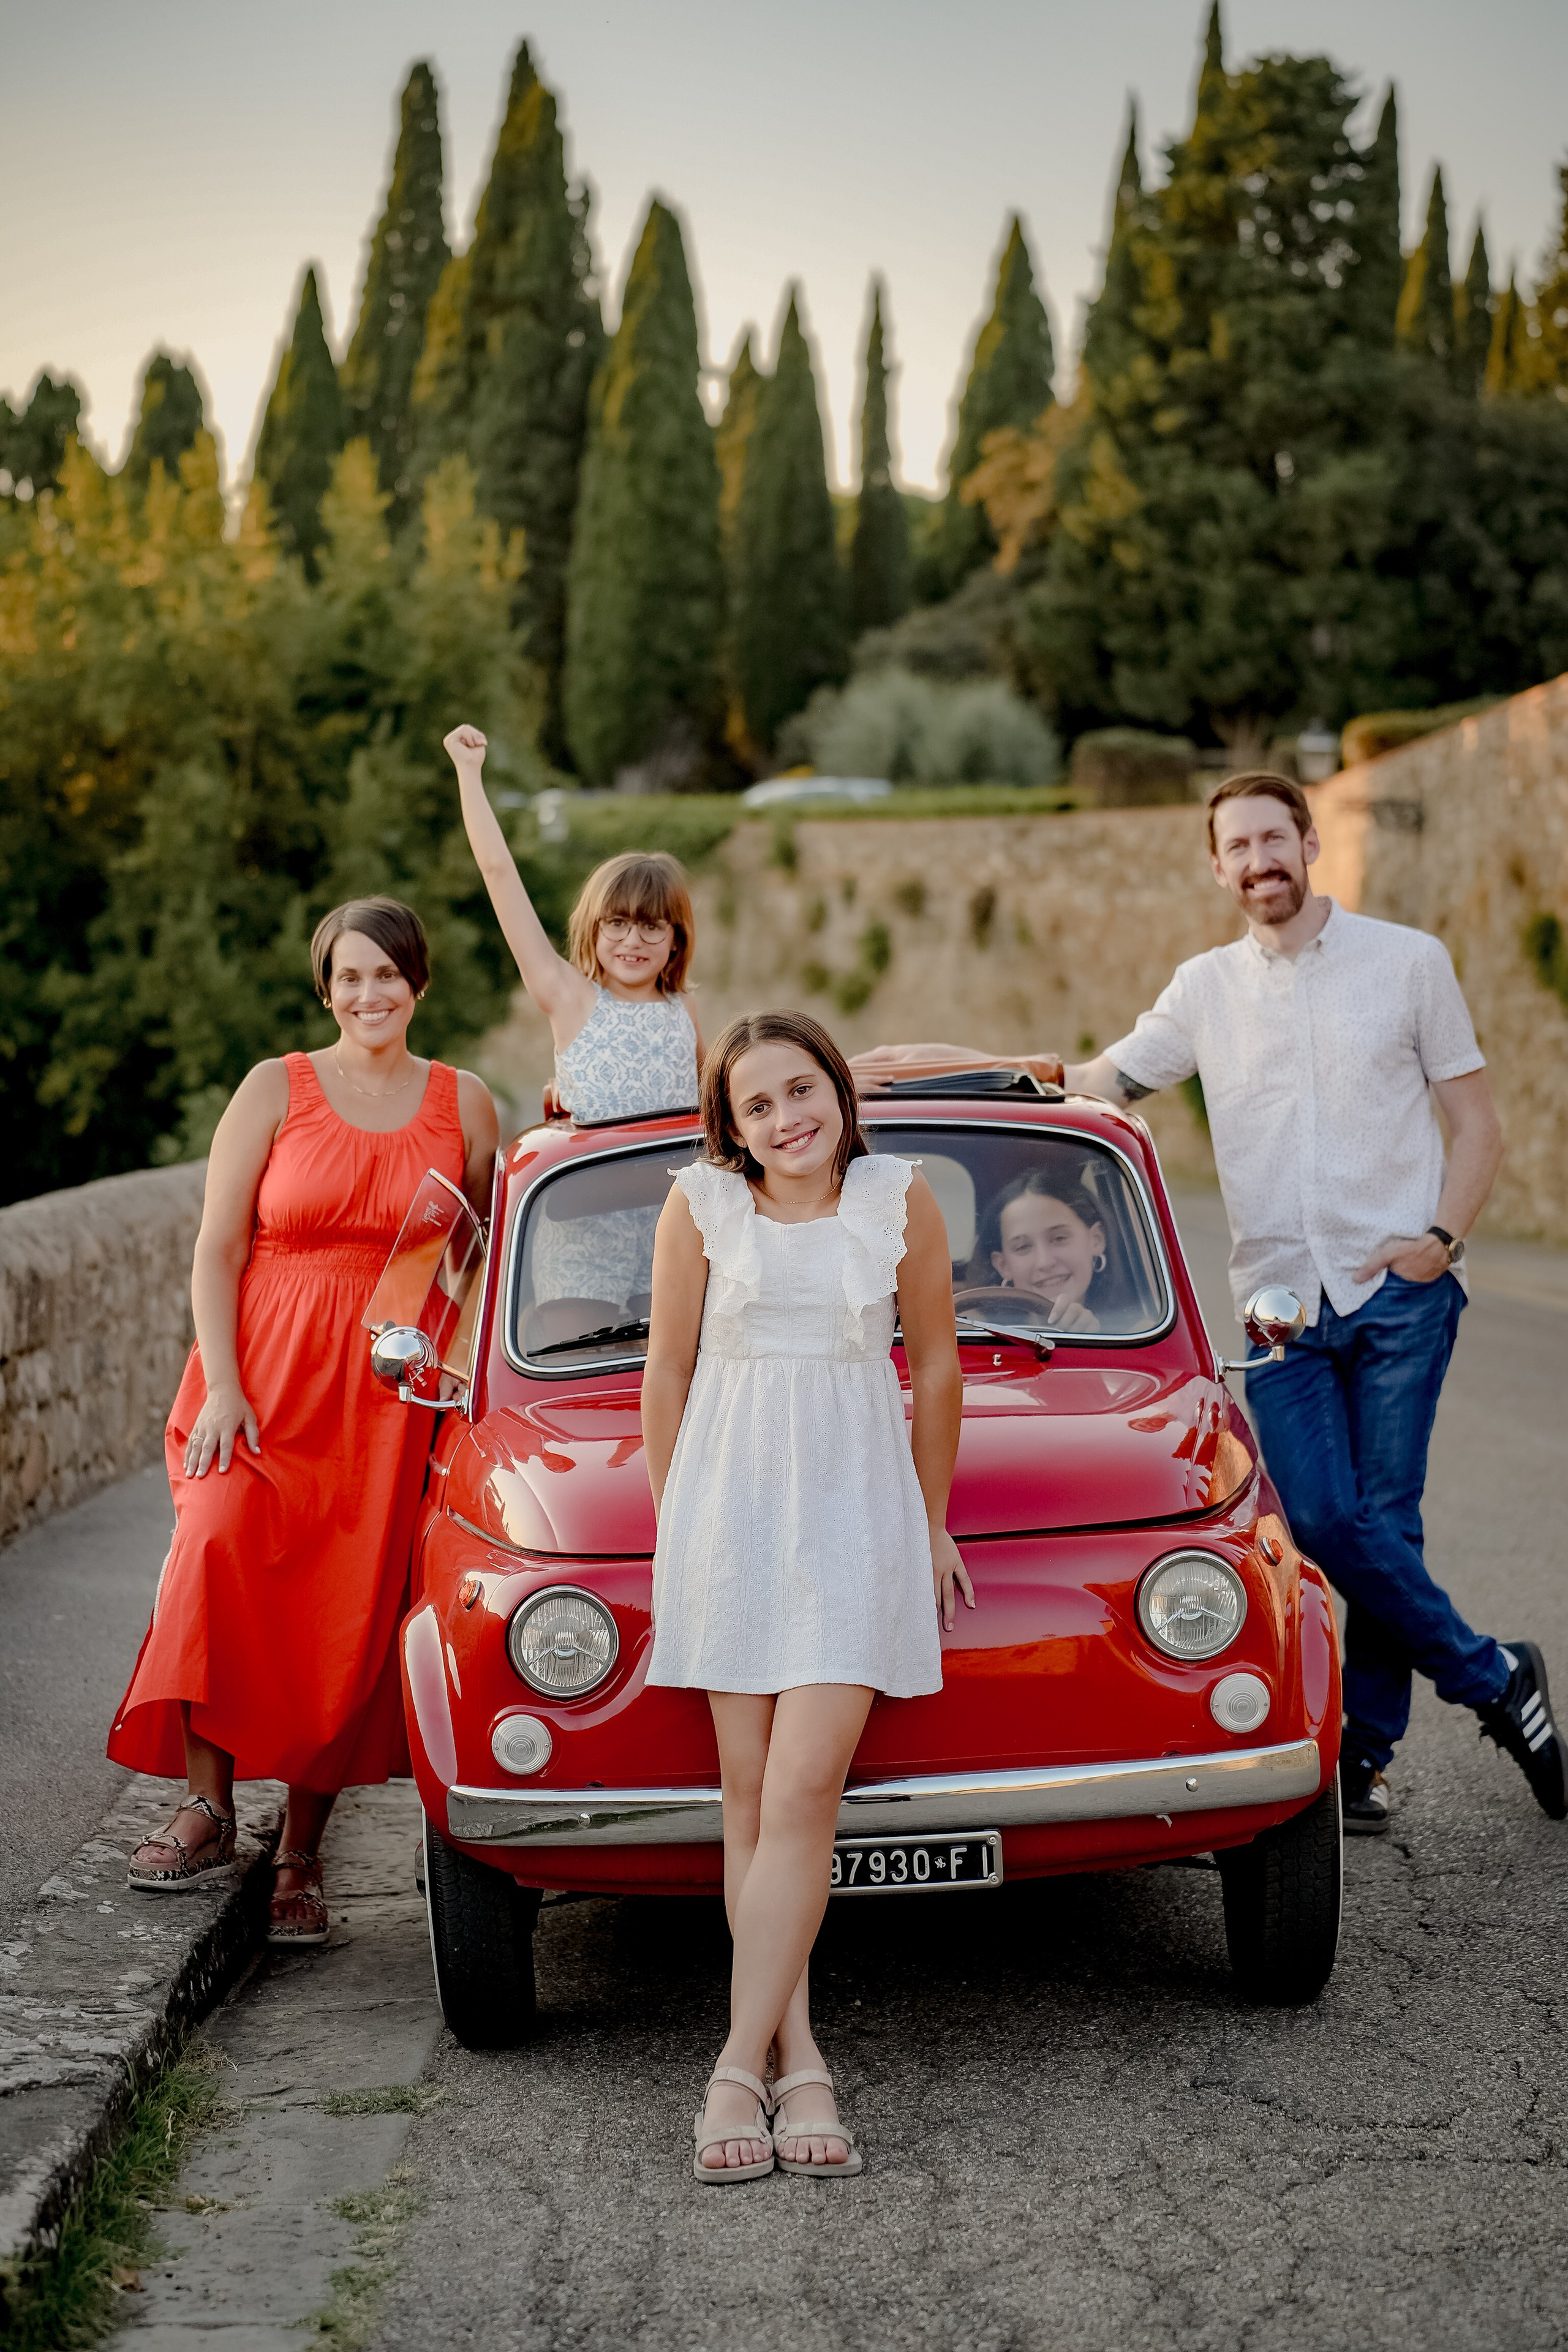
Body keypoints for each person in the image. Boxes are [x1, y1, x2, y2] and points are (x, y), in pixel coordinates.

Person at [858, 772, 1564, 1833]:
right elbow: (1097, 1080)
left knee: (1385, 1524)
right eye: (1236, 847)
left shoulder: (1408, 964)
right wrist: (926, 1075)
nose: (1257, 861)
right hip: (1281, 1304)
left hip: (1399, 1292)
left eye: (1273, 838)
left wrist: (1441, 1243)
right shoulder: (1204, 990)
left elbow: (1479, 1124)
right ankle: (1499, 1679)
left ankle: (1362, 1760)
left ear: (1309, 841)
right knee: (1329, 1518)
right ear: (1218, 865)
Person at [110, 899, 499, 1939]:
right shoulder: (275, 1088)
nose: (369, 995)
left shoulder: (466, 1104)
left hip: (379, 1403)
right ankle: (206, 1807)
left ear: (419, 983)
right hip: (259, 1379)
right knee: (214, 1551)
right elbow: (217, 1249)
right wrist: (225, 1385)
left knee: (348, 1613)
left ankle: (302, 1852)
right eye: (348, 977)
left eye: (387, 975)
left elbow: (466, 1271)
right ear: (325, 988)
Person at [641, 1010, 970, 2182]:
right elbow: (666, 1374)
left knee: (804, 1787)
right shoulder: (702, 1207)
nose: (788, 1119)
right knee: (746, 1797)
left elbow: (934, 1365)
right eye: (759, 1106)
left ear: (837, 1085)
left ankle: (735, 2067)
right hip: (728, 1512)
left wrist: (928, 1519)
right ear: (731, 1129)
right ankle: (801, 2054)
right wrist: (677, 1522)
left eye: (801, 1090)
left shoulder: (900, 1198)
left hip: (852, 1509)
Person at [443, 723, 702, 1123]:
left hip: (682, 1185)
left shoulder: (684, 1007)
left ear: (675, 941)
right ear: (593, 930)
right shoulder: (569, 997)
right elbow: (498, 872)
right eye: (617, 923)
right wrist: (468, 771)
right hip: (599, 1183)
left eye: (651, 927)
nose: (632, 940)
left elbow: (721, 1104)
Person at [968, 1165, 1113, 1332]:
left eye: (1059, 1238)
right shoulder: (972, 1334)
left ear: (1096, 1240)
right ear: (1003, 1266)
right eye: (1023, 1247)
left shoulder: (1142, 1334)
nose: (1044, 1262)